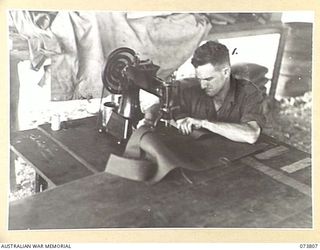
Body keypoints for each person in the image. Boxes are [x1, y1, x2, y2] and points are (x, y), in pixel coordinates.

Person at [142, 40, 266, 144]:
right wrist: (149, 118)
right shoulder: (191, 87)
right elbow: (161, 97)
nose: (202, 85)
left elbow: (251, 135)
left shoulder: (249, 92)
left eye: (208, 79)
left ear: (226, 72)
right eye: (199, 78)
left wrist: (204, 124)